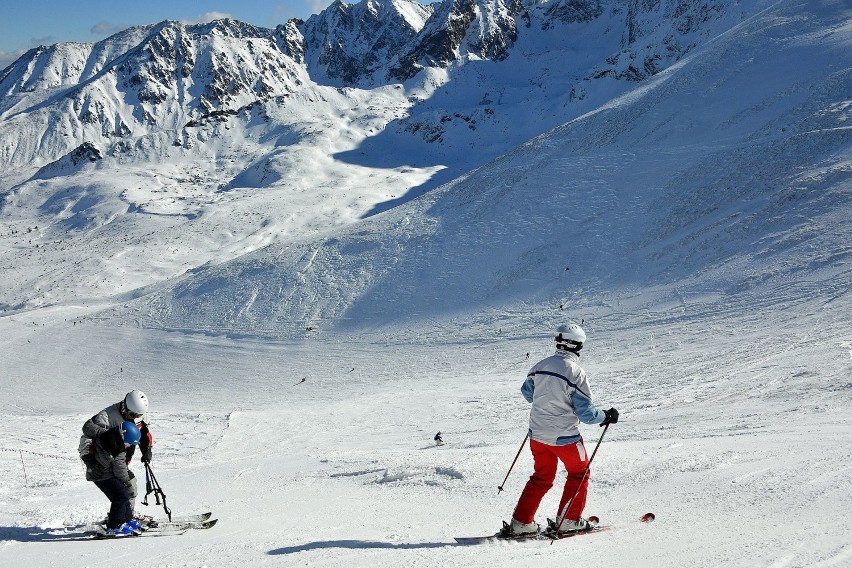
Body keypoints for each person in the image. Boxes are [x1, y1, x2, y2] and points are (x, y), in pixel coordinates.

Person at [506, 324, 618, 536]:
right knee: (579, 473)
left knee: (542, 477)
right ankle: (568, 520)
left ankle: (521, 522)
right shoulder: (576, 372)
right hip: (565, 438)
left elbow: (528, 394)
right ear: (578, 345)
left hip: (537, 436)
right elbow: (587, 414)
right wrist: (607, 415)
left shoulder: (540, 366)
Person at [78, 390, 153, 522]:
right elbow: (87, 438)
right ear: (124, 406)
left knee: (131, 485)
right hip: (102, 464)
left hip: (120, 460)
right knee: (124, 490)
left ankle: (127, 515)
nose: (134, 417)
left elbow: (143, 433)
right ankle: (123, 518)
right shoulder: (107, 417)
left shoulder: (137, 416)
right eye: (132, 414)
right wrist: (91, 463)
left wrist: (146, 451)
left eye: (138, 415)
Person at [83, 420, 143, 535]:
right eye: (128, 443)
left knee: (123, 495)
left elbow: (88, 427)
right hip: (102, 476)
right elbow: (120, 470)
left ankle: (128, 519)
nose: (128, 446)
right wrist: (127, 482)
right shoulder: (118, 449)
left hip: (100, 473)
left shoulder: (104, 433)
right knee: (120, 496)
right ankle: (115, 526)